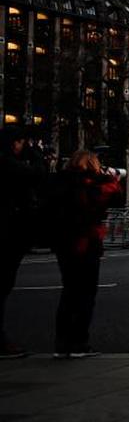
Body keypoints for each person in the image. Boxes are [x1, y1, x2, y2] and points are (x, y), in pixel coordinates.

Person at [48, 150, 124, 358]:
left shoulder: (61, 182)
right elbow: (115, 198)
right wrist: (110, 177)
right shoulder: (92, 185)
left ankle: (62, 344)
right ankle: (79, 342)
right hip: (86, 240)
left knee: (69, 291)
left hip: (63, 242)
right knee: (86, 292)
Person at [1, 125, 47, 359]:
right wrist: (36, 155)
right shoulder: (7, 164)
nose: (23, 147)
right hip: (8, 232)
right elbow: (38, 175)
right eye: (21, 143)